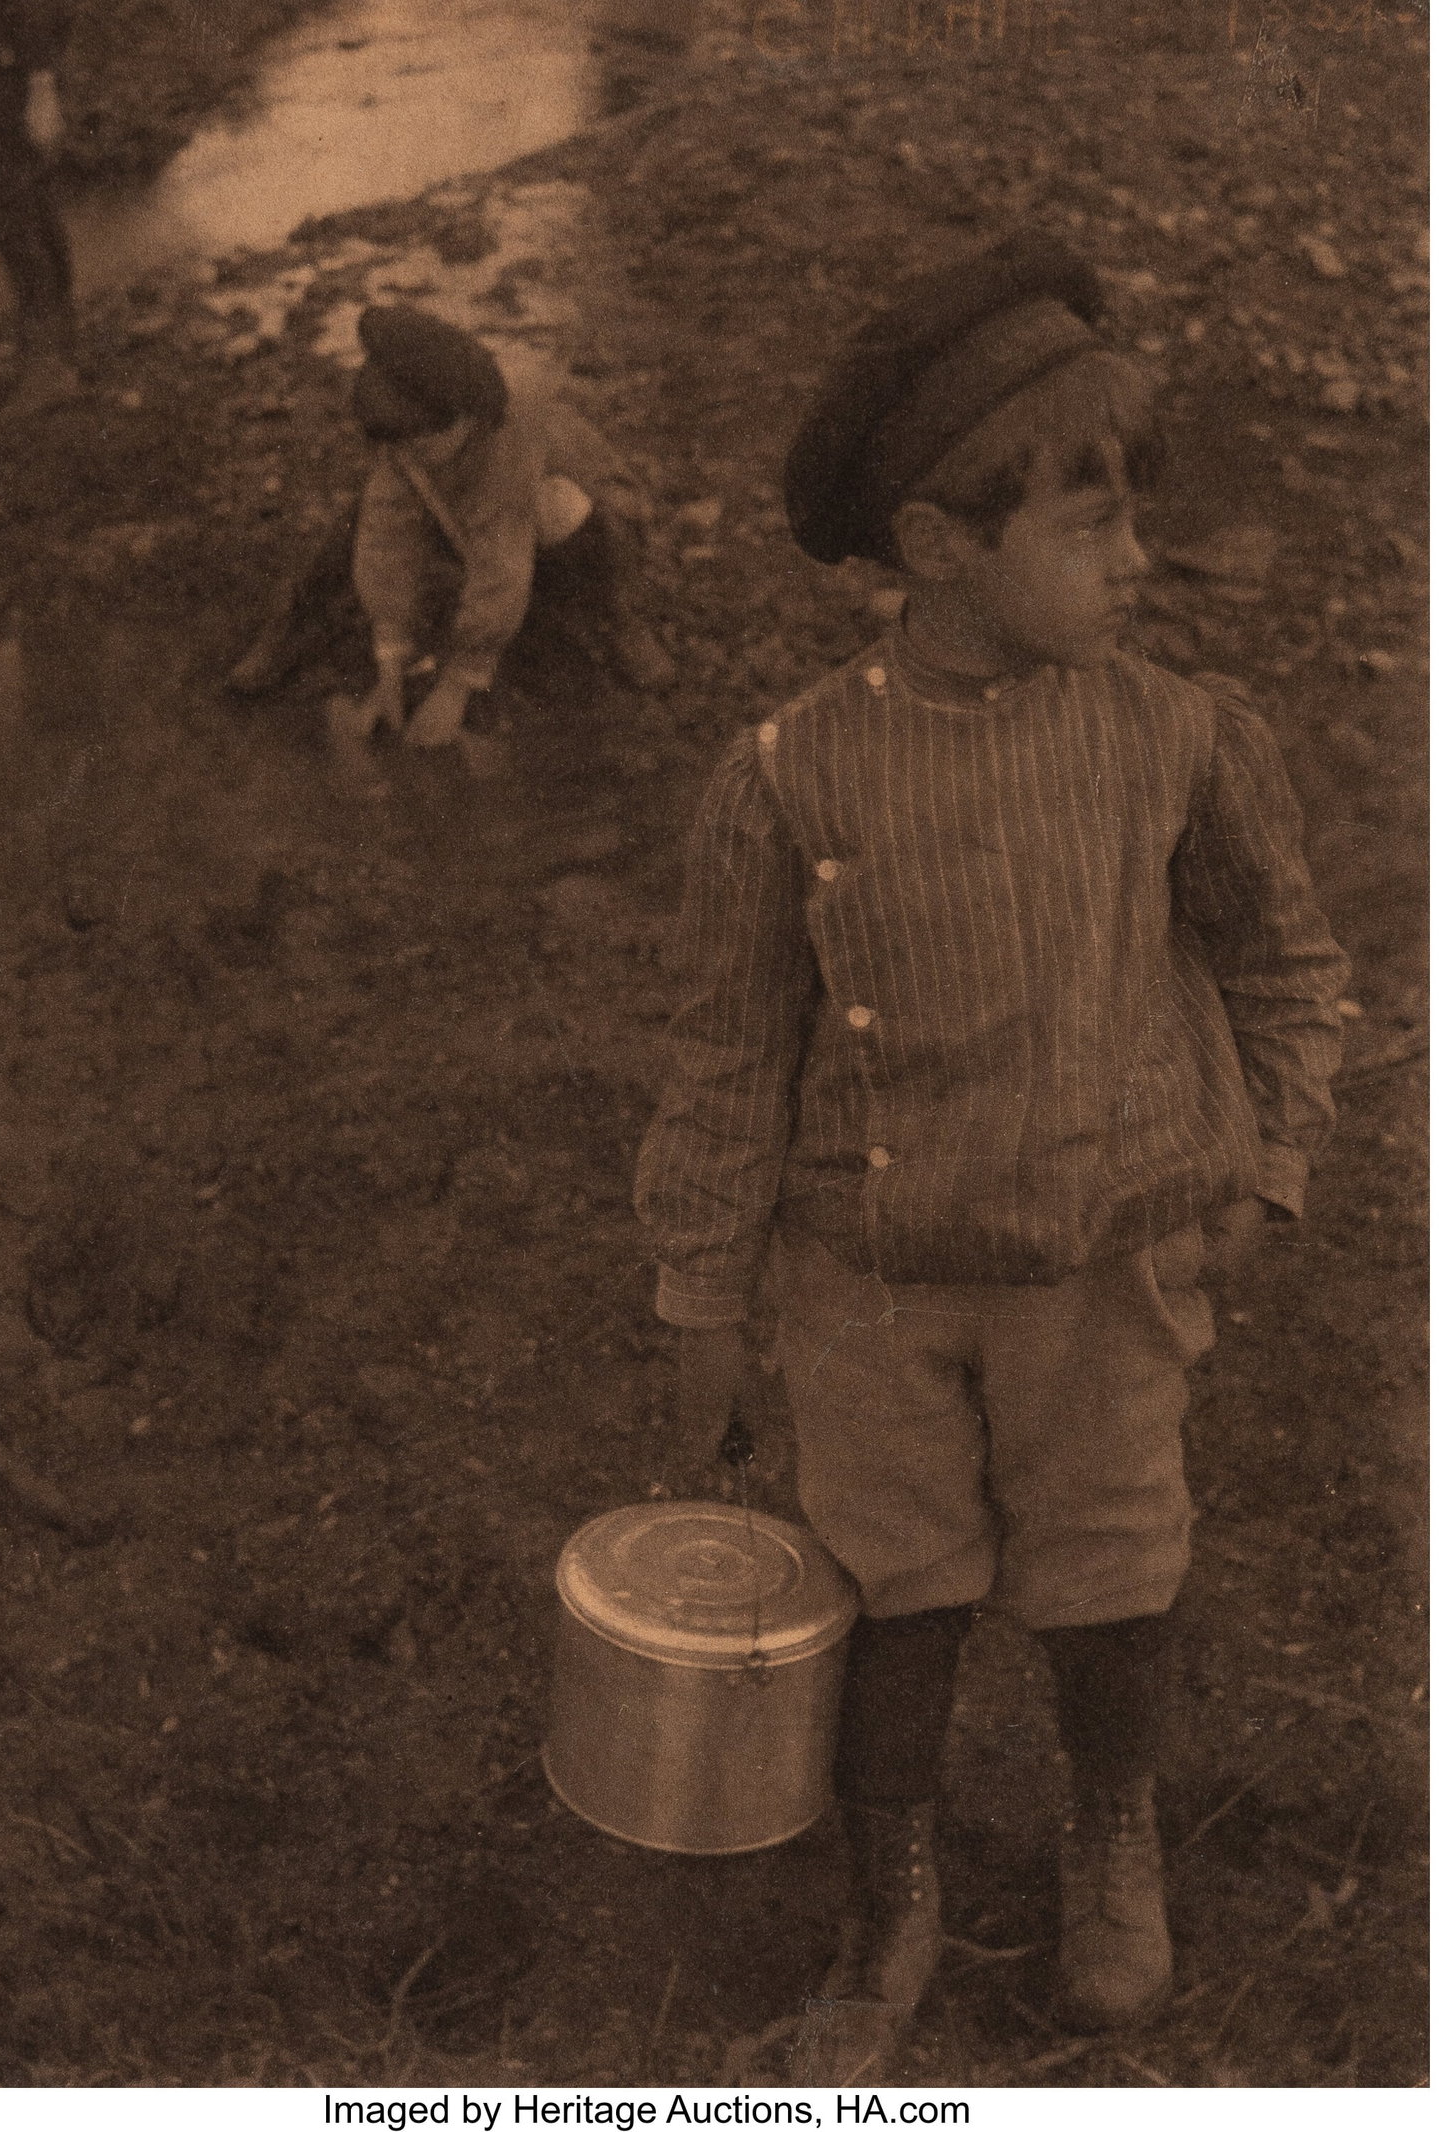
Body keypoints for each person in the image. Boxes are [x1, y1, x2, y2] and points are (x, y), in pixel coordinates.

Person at [634, 233, 1348, 2076]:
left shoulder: (1176, 738)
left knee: (1112, 1572)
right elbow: (725, 1052)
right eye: (1089, 527)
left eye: (1136, 522)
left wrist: (1266, 1161)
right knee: (897, 1592)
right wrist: (703, 1287)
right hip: (868, 1282)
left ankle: (1113, 1835)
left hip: (1106, 1270)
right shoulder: (789, 779)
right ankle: (895, 1895)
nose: (1137, 563)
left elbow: (1283, 960)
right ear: (943, 550)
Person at [227, 304, 675, 751]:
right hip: (483, 522)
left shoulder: (507, 434)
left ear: (463, 418)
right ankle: (292, 626)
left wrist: (457, 686)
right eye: (398, 447)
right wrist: (389, 660)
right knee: (362, 514)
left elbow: (501, 563)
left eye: (418, 445)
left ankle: (616, 616)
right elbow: (385, 539)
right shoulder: (411, 441)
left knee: (558, 509)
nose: (405, 455)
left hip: (579, 518)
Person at [0, 0, 79, 414]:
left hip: (4, 96)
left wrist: (41, 89)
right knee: (33, 219)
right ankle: (58, 357)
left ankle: (47, 372)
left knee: (14, 226)